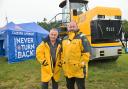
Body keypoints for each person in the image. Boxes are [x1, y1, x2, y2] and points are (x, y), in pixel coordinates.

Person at [61, 21, 91, 89]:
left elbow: (87, 53)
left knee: (81, 87)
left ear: (77, 27)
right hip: (68, 69)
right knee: (69, 87)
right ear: (67, 28)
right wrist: (63, 63)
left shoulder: (82, 37)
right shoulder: (65, 38)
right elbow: (62, 53)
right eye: (70, 26)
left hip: (79, 70)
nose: (71, 28)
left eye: (73, 26)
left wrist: (81, 64)